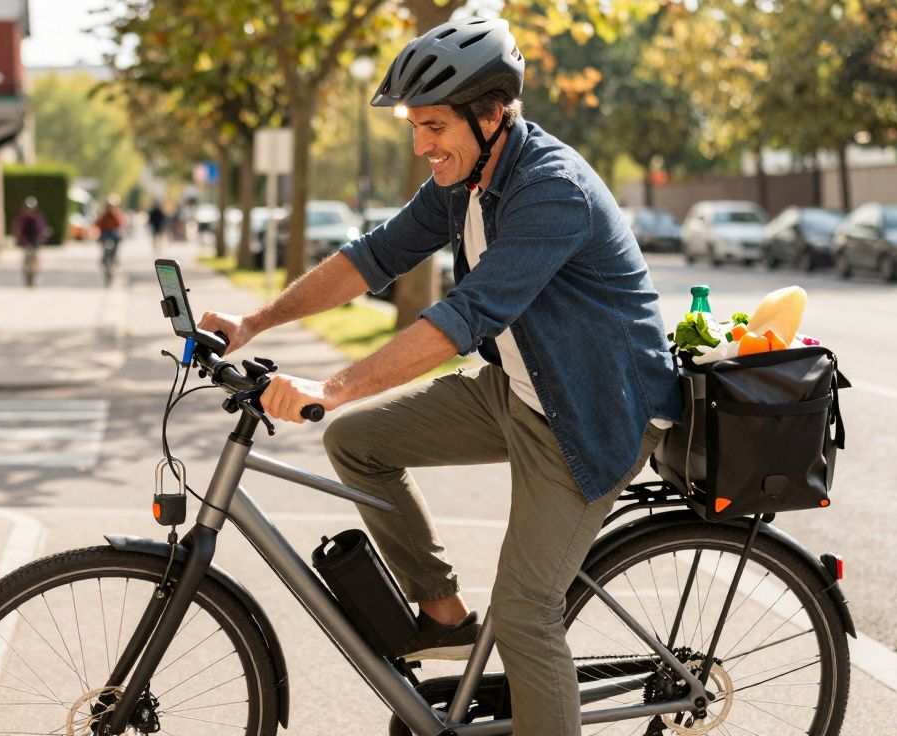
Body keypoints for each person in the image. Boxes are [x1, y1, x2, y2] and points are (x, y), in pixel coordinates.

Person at [198, 17, 682, 736]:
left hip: (593, 413)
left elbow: (466, 316)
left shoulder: (552, 191)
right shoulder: (468, 175)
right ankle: (444, 616)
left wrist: (330, 390)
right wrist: (253, 325)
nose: (422, 145)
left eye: (433, 125)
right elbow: (374, 257)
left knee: (525, 616)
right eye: (414, 127)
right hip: (520, 389)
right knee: (359, 444)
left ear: (492, 113)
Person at [11, 196, 50, 286]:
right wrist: (18, 238)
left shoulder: (38, 218)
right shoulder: (21, 218)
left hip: (35, 239)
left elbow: (42, 229)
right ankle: (25, 270)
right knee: (25, 255)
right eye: (27, 208)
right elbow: (17, 229)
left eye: (31, 209)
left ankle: (37, 270)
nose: (29, 211)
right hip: (25, 239)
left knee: (36, 255)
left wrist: (43, 236)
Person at [93, 194, 127, 284]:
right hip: (105, 235)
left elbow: (121, 225)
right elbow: (98, 225)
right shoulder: (104, 215)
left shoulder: (117, 214)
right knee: (104, 246)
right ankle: (104, 259)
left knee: (116, 244)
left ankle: (115, 259)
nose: (110, 208)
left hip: (114, 235)